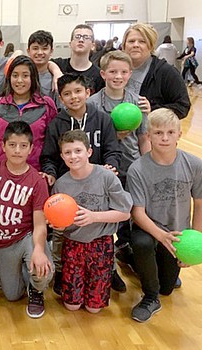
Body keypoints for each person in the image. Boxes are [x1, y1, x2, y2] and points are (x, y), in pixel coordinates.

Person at [126, 108, 202, 323]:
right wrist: (161, 236)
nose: (164, 138)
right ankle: (149, 297)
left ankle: (137, 263)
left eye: (169, 132)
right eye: (158, 133)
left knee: (167, 288)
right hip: (148, 229)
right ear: (148, 136)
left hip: (177, 233)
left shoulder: (194, 164)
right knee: (142, 244)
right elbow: (137, 213)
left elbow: (201, 203)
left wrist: (194, 239)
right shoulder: (137, 169)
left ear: (179, 134)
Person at [40, 74, 121, 295]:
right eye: (67, 93)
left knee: (100, 231)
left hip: (96, 187)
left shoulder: (103, 119)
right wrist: (49, 173)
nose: (73, 97)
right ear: (60, 98)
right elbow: (48, 157)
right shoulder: (57, 123)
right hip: (68, 188)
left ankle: (109, 270)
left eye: (77, 91)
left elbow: (113, 149)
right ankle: (60, 271)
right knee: (61, 234)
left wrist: (111, 165)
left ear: (88, 92)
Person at [87, 51, 151, 292]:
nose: (118, 76)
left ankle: (130, 256)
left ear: (130, 74)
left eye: (123, 72)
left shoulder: (138, 103)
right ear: (103, 74)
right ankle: (109, 268)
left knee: (130, 217)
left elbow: (143, 138)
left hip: (131, 169)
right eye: (113, 71)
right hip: (103, 170)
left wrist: (146, 166)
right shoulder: (92, 104)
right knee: (105, 220)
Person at [0, 121, 54, 319]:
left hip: (26, 236)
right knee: (11, 295)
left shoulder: (37, 181)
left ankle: (37, 291)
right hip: (1, 242)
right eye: (12, 145)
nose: (17, 150)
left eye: (23, 146)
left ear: (31, 148)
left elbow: (39, 224)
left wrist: (38, 250)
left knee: (43, 270)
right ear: (3, 146)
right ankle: (19, 270)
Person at [52, 130, 133, 313]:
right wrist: (58, 225)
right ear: (62, 156)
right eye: (68, 152)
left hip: (101, 244)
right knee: (72, 306)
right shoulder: (61, 184)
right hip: (73, 245)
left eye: (78, 151)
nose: (73, 156)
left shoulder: (106, 177)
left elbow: (124, 213)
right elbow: (59, 220)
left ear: (89, 152)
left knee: (93, 308)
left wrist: (93, 217)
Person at [0, 55, 57, 171]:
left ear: (33, 77)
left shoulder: (47, 105)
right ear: (9, 78)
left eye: (25, 75)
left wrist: (50, 172)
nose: (19, 80)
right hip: (1, 174)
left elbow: (52, 144)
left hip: (36, 174)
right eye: (15, 75)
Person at [122, 24, 190, 118]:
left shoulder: (166, 72)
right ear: (124, 45)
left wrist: (154, 111)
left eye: (142, 41)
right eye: (131, 41)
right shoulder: (114, 69)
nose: (136, 45)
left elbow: (182, 106)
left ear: (151, 46)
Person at [51, 24, 105, 94]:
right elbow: (48, 63)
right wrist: (56, 71)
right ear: (70, 44)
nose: (81, 40)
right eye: (77, 37)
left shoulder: (98, 75)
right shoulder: (59, 64)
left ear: (93, 46)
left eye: (86, 37)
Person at [26, 30, 60, 105]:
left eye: (44, 48)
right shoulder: (22, 76)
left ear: (51, 51)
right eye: (35, 48)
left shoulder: (55, 80)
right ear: (28, 51)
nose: (40, 52)